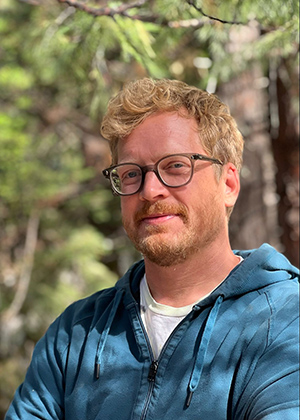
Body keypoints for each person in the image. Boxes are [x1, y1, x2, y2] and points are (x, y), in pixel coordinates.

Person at [6, 78, 299, 420]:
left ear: (229, 184)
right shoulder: (75, 335)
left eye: (175, 166)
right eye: (131, 174)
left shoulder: (285, 319)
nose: (149, 190)